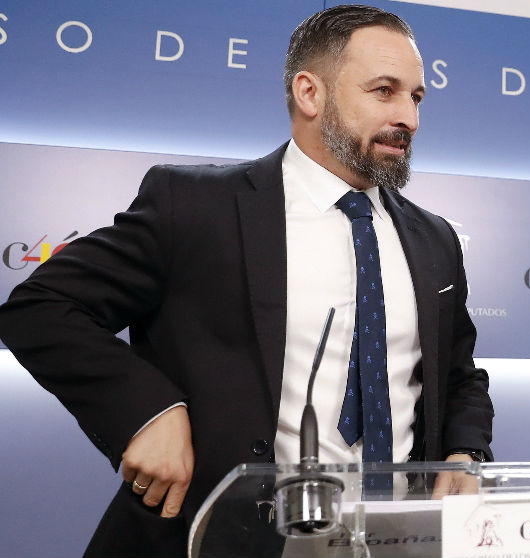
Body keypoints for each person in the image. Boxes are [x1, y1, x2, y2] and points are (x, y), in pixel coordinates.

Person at [0, 5, 494, 556]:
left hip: (394, 541)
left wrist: (463, 456)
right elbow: (41, 306)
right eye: (385, 91)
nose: (410, 117)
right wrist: (147, 410)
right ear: (310, 93)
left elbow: (458, 375)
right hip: (214, 539)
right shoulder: (193, 207)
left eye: (417, 97)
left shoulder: (436, 239)